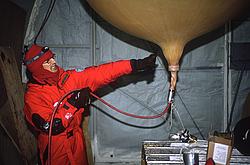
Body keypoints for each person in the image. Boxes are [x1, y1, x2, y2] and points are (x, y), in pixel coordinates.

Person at [23, 44, 157, 165]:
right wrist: (72, 104)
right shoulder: (33, 97)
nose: (53, 62)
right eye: (47, 61)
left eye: (52, 57)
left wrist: (134, 65)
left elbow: (101, 72)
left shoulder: (68, 79)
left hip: (76, 142)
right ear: (37, 68)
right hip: (55, 148)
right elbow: (50, 126)